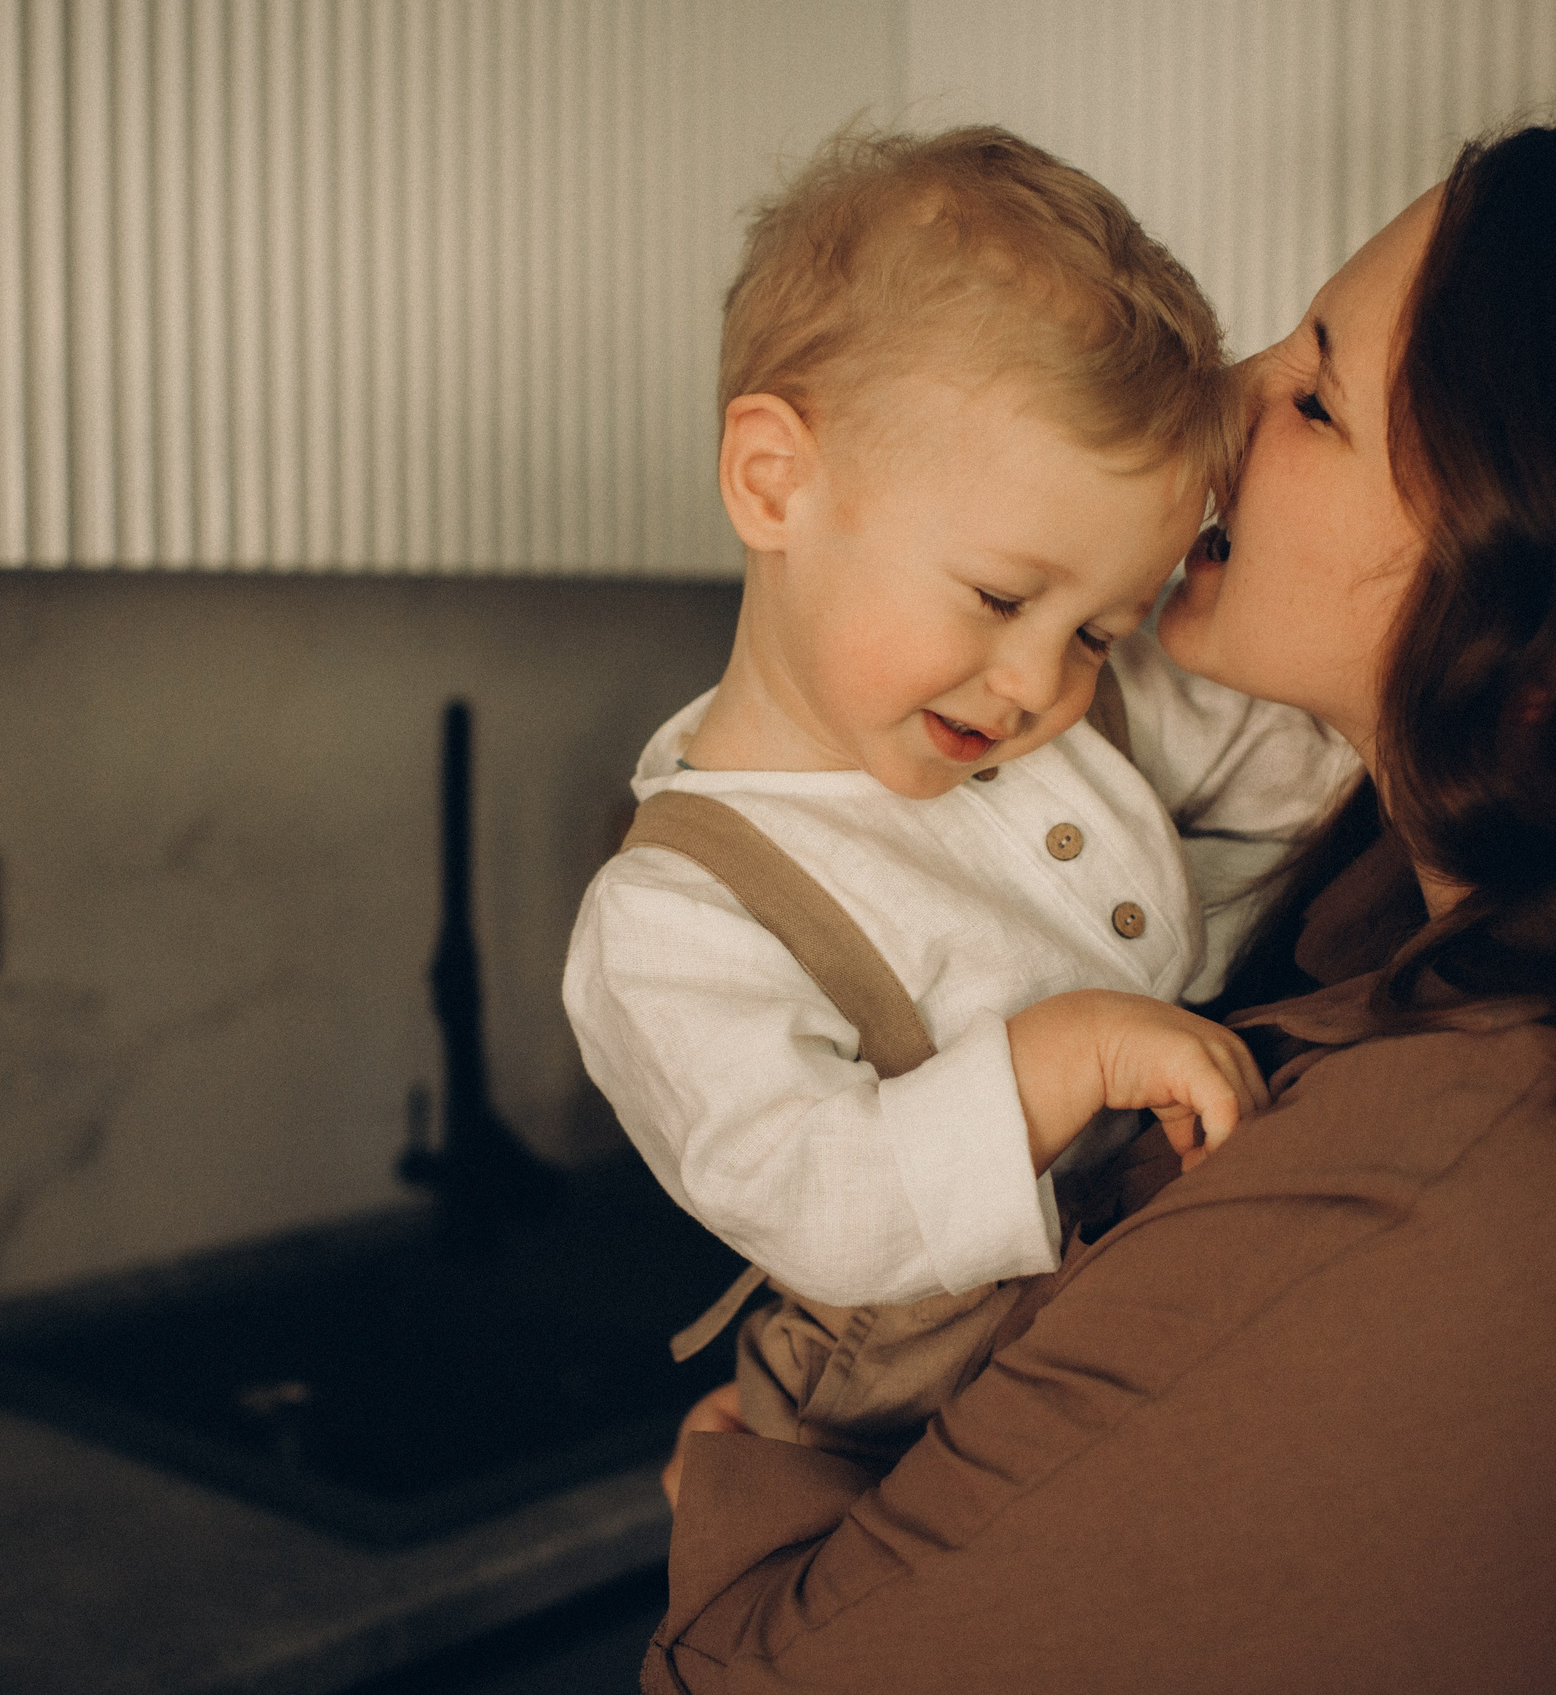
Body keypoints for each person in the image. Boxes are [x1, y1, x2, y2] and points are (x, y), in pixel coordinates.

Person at [646, 119, 1556, 1694]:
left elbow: (748, 1679)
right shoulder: (1439, 920)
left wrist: (734, 1482)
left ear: (1540, 627)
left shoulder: (1459, 1187)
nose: (1226, 401)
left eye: (1315, 396)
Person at [562, 127, 1354, 1460]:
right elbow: (818, 1199)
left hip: (1117, 1316)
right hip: (894, 1410)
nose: (1042, 682)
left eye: (1102, 628)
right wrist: (1073, 1055)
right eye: (1000, 597)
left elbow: (1316, 763)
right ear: (777, 481)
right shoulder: (672, 918)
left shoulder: (1074, 712)